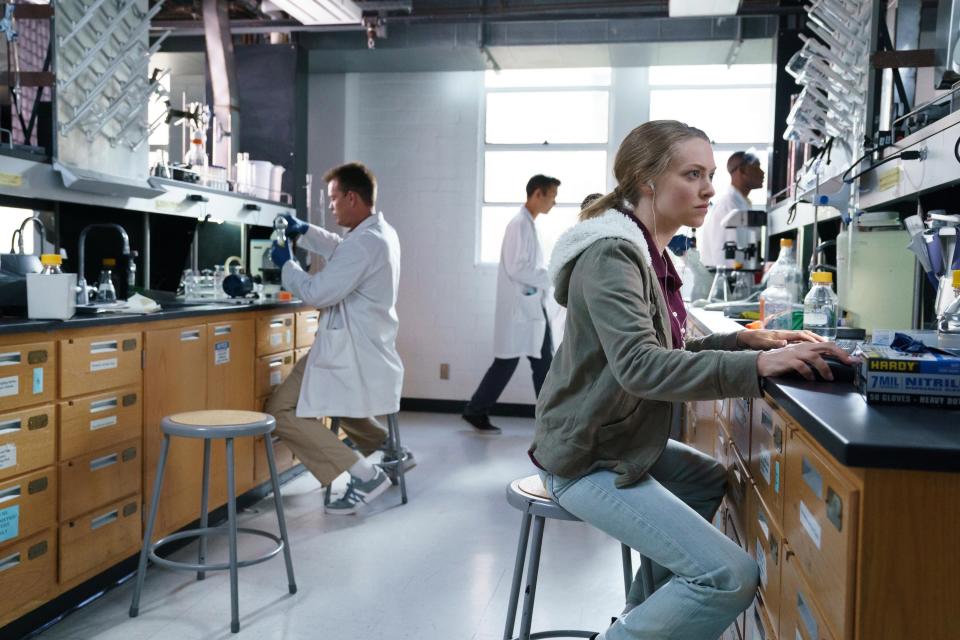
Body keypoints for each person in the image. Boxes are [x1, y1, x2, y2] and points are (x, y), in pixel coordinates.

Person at [529, 121, 853, 639]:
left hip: (620, 438)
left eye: (708, 172)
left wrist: (743, 343)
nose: (708, 188)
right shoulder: (612, 255)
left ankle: (639, 622)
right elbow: (641, 366)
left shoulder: (650, 251)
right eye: (693, 174)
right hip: (584, 454)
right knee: (729, 576)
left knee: (706, 478)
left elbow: (667, 353)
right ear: (647, 181)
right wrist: (754, 369)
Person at [266, 162, 405, 515]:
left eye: (333, 199)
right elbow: (340, 249)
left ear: (352, 198)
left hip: (349, 351)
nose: (331, 207)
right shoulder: (378, 233)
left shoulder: (364, 244)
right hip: (362, 347)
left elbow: (318, 292)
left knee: (282, 411)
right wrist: (305, 232)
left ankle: (365, 474)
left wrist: (286, 265)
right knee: (332, 401)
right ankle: (392, 452)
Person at [462, 174, 560, 434]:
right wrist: (552, 275)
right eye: (552, 196)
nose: (554, 203)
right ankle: (548, 420)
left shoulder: (528, 224)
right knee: (526, 363)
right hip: (522, 308)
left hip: (529, 306)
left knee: (538, 363)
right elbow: (517, 268)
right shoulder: (519, 225)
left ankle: (547, 418)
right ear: (537, 194)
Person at [698, 150, 765, 268]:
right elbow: (724, 259)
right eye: (757, 167)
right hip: (727, 280)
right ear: (743, 170)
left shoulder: (741, 204)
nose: (762, 172)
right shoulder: (728, 207)